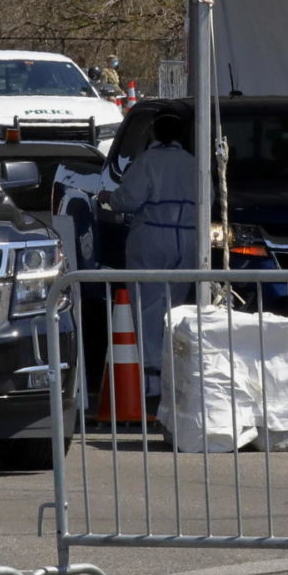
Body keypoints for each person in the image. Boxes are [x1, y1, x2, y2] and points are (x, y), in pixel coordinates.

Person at [106, 114, 200, 392]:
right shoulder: (194, 163)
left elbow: (128, 199)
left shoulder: (147, 161)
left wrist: (109, 199)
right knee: (177, 308)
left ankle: (152, 380)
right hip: (188, 236)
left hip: (152, 235)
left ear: (154, 133)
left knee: (148, 306)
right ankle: (177, 375)